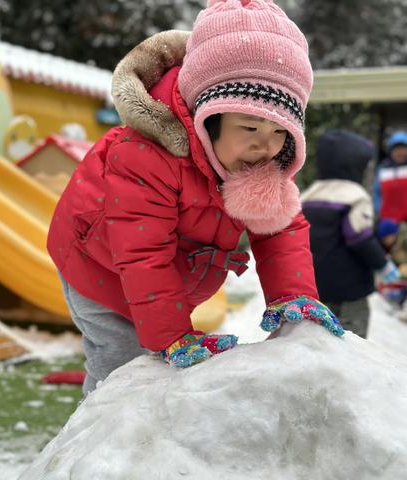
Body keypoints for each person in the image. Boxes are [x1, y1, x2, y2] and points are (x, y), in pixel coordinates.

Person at [47, 0, 343, 396]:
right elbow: (143, 253)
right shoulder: (146, 157)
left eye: (280, 131)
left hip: (167, 276)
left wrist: (294, 298)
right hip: (98, 266)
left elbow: (280, 231)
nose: (266, 146)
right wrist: (172, 336)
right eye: (250, 126)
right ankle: (96, 443)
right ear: (208, 117)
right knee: (120, 369)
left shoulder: (258, 158)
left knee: (162, 369)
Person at [302, 130, 399, 338]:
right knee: (351, 339)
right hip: (351, 289)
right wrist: (382, 264)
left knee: (321, 337)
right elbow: (359, 237)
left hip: (316, 288)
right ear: (355, 165)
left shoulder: (308, 195)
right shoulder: (355, 196)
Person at [373, 130, 407, 219]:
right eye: (397, 149)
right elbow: (377, 193)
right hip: (388, 220)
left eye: (403, 149)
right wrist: (379, 211)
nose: (400, 153)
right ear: (391, 151)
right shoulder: (383, 168)